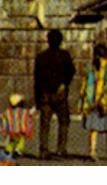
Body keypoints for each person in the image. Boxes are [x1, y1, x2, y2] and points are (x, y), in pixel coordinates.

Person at [33, 27, 76, 160]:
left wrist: (37, 99)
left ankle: (43, 150)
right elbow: (71, 71)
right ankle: (61, 149)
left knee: (44, 124)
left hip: (45, 94)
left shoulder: (40, 57)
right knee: (64, 121)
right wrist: (65, 84)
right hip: (60, 94)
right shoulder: (65, 55)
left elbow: (37, 79)